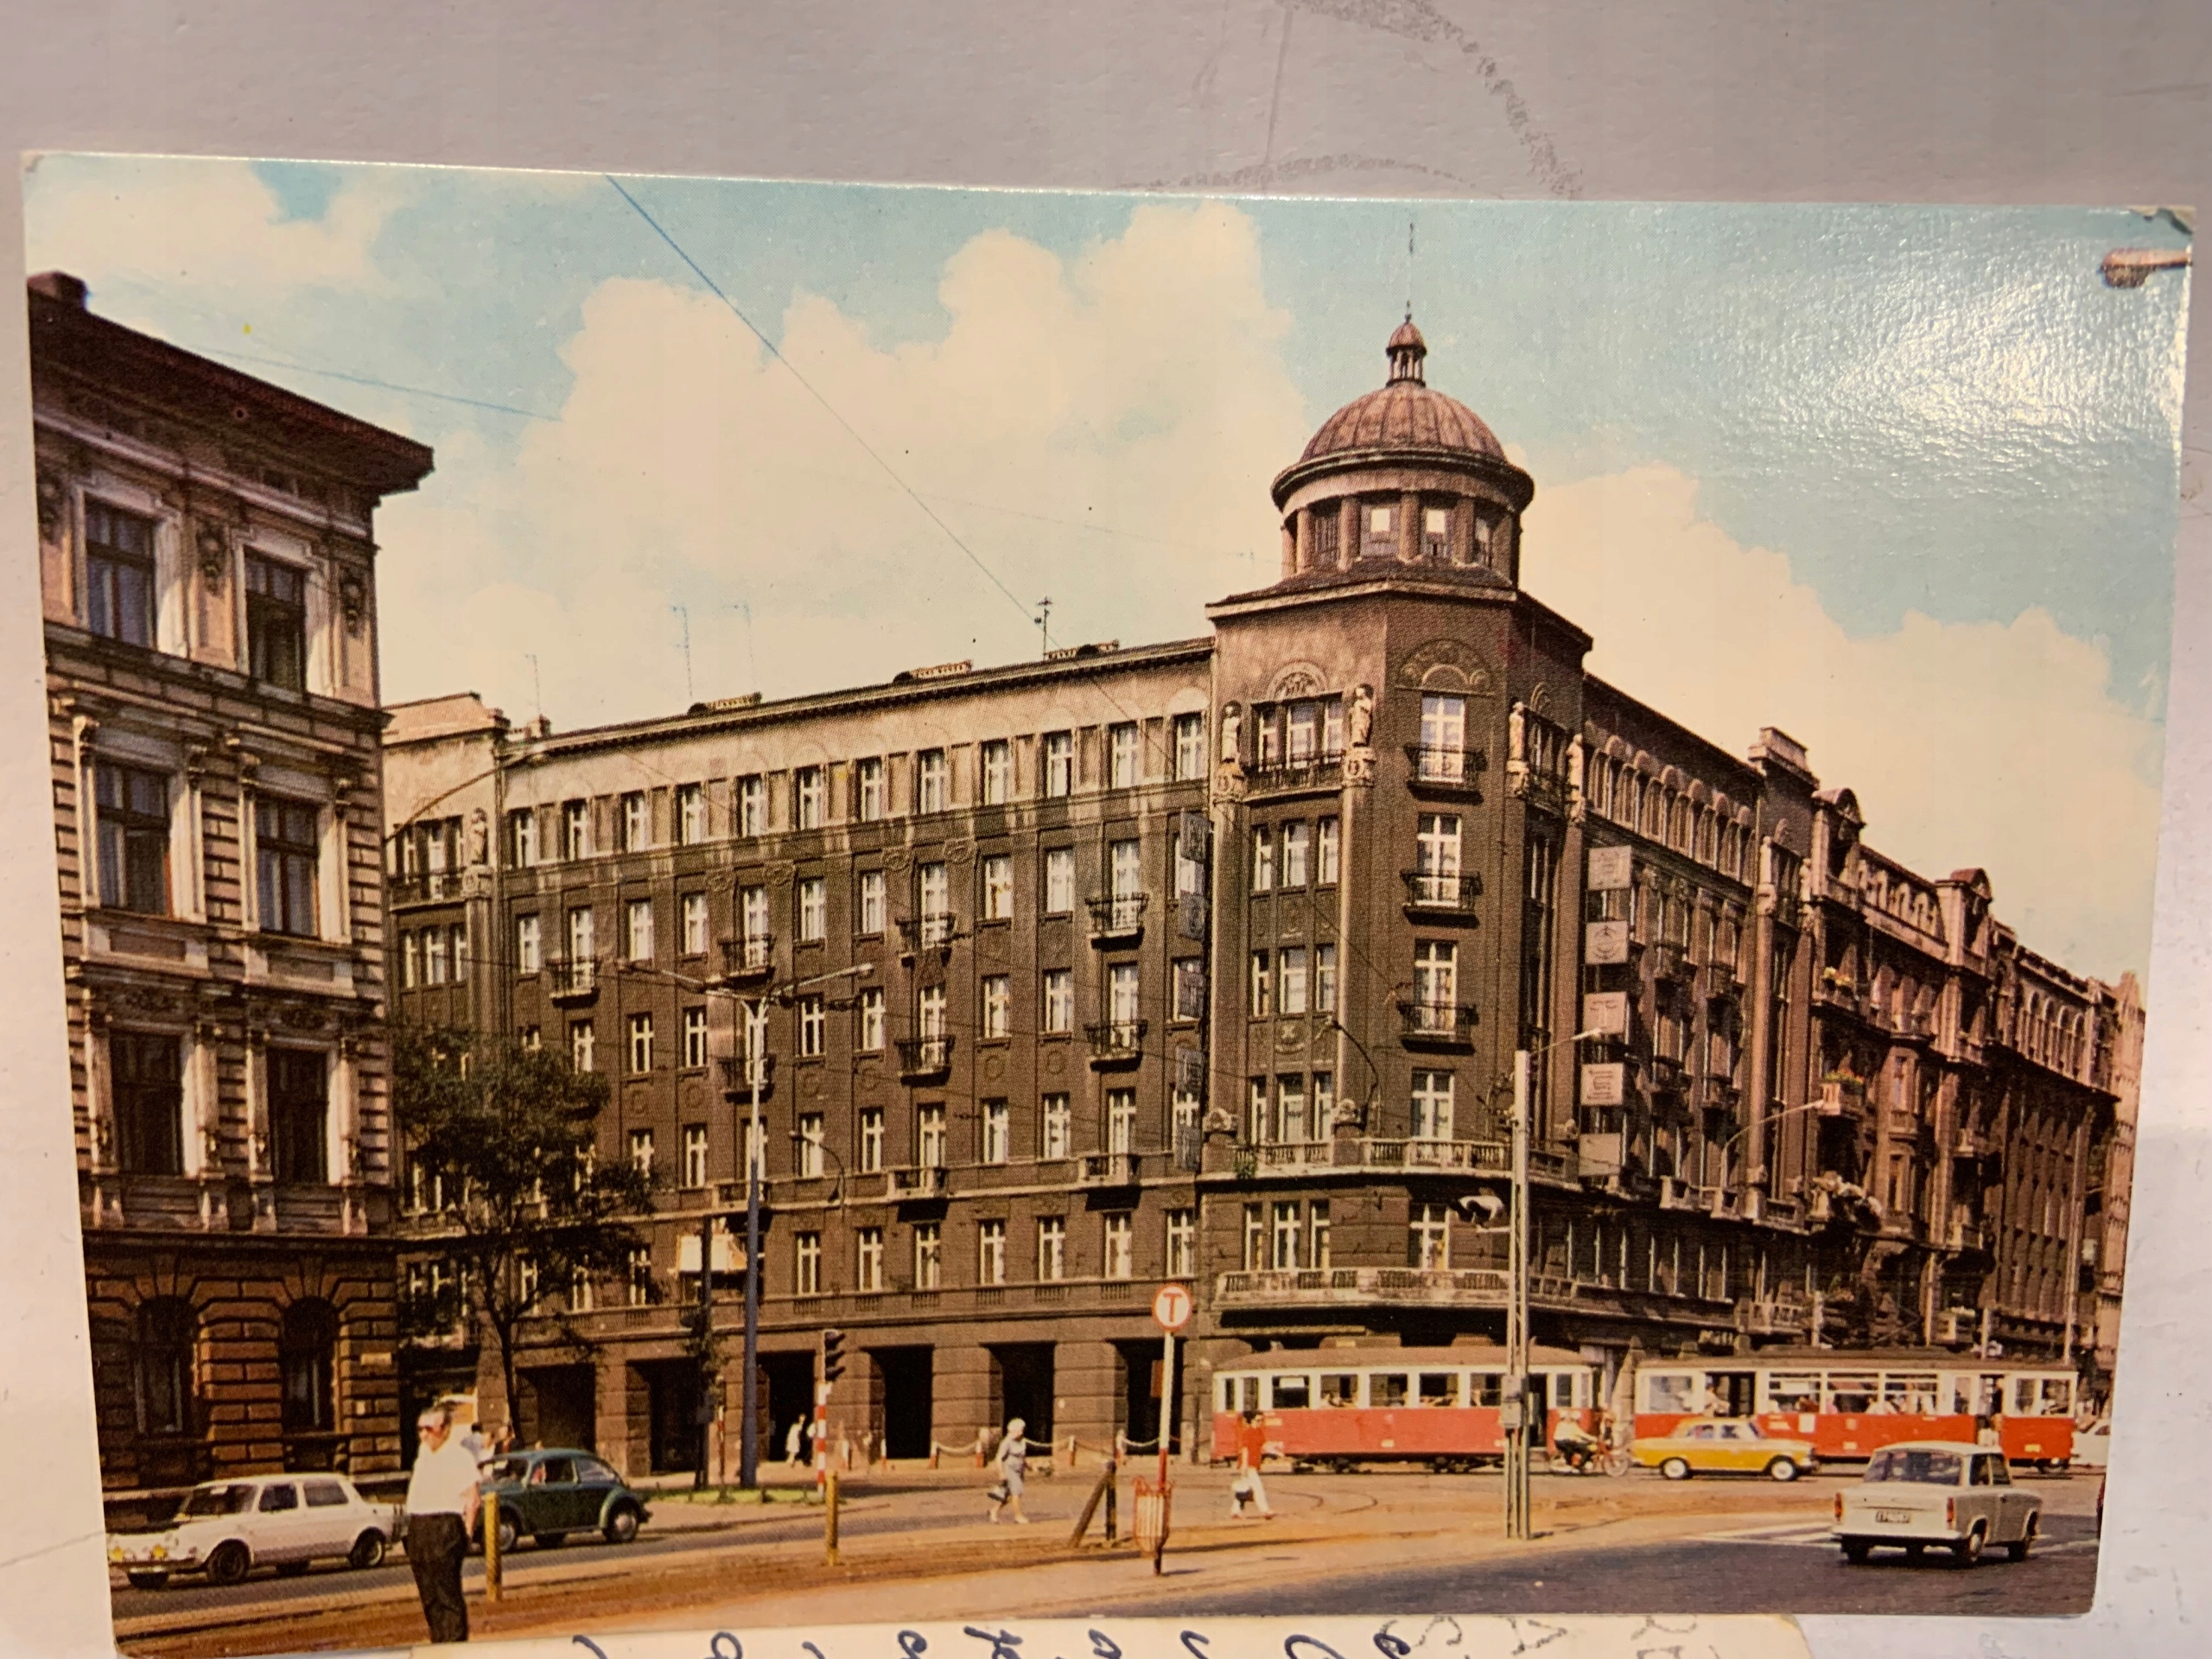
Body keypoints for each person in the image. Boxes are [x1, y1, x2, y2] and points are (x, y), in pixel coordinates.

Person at [404, 1403, 483, 1644]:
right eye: (420, 1429)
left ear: (446, 1428)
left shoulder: (459, 1457)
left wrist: (466, 1533)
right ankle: (439, 1646)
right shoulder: (423, 1457)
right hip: (419, 1527)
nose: (424, 1434)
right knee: (429, 1597)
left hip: (445, 1526)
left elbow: (473, 1500)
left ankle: (455, 1649)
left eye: (430, 1429)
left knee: (447, 1595)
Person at [1228, 1410, 1276, 1518]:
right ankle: (1265, 1510)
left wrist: (1276, 1452)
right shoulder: (1247, 1432)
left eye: (1261, 1420)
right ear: (1251, 1420)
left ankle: (1236, 1511)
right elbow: (1244, 1449)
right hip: (1248, 1465)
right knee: (1258, 1487)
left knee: (1244, 1488)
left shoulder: (1259, 1432)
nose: (1260, 1422)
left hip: (1254, 1464)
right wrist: (1244, 1465)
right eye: (1258, 1420)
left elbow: (1264, 1445)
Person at [987, 1417, 1031, 1523]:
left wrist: (1029, 1466)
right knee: (1017, 1492)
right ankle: (1018, 1516)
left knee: (1010, 1496)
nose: (1021, 1432)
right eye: (1020, 1429)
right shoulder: (1007, 1442)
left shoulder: (1022, 1441)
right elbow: (998, 1458)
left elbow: (1022, 1456)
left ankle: (994, 1511)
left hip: (1020, 1470)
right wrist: (1001, 1472)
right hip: (1010, 1470)